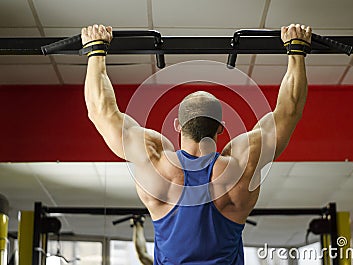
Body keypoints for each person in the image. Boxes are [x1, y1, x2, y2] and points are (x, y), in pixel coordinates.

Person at [82, 23, 311, 264]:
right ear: (220, 127)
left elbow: (101, 111)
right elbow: (289, 110)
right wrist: (296, 50)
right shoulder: (242, 163)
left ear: (177, 126)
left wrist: (96, 51)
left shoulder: (156, 162)